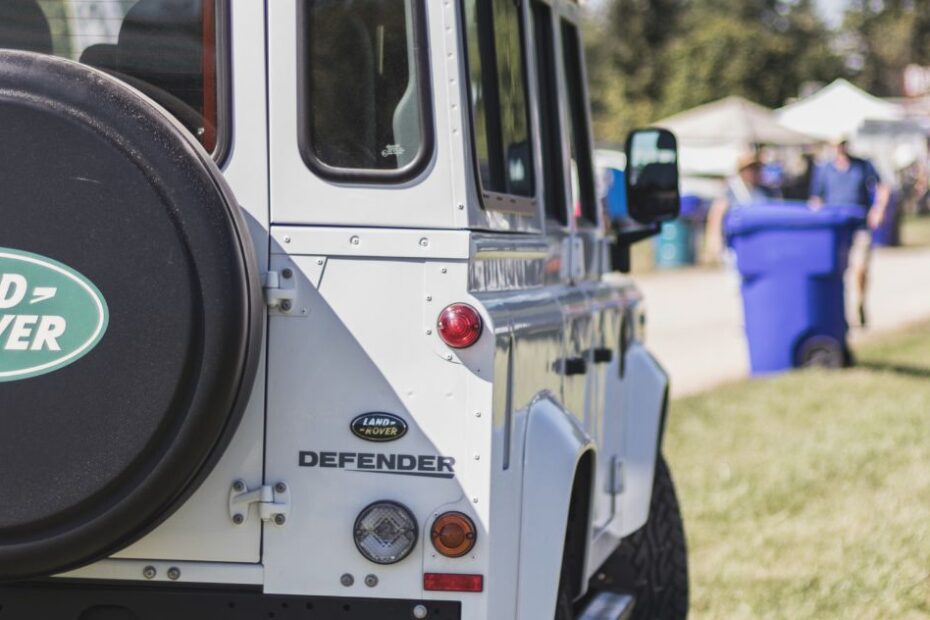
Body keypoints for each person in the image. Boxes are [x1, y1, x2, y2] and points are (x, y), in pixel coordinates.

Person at [809, 138, 890, 327]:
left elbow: (882, 187)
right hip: (835, 227)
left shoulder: (862, 165)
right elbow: (816, 199)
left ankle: (860, 301)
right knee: (838, 272)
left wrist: (878, 209)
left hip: (860, 225)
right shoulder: (825, 169)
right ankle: (841, 313)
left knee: (860, 268)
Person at [705, 152, 779, 261]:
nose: (754, 172)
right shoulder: (732, 191)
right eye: (751, 169)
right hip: (738, 244)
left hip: (761, 243)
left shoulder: (765, 192)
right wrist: (714, 243)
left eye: (757, 169)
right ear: (742, 171)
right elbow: (717, 214)